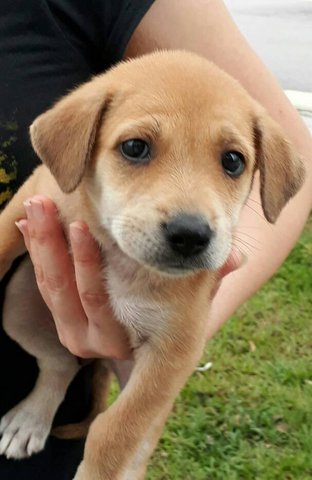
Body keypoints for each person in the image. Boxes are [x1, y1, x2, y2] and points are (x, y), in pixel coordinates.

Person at [0, 1, 311, 479]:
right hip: (33, 338)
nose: (190, 217)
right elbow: (19, 216)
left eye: (231, 162)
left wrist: (105, 464)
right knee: (21, 316)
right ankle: (54, 383)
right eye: (136, 148)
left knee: (132, 433)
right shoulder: (63, 181)